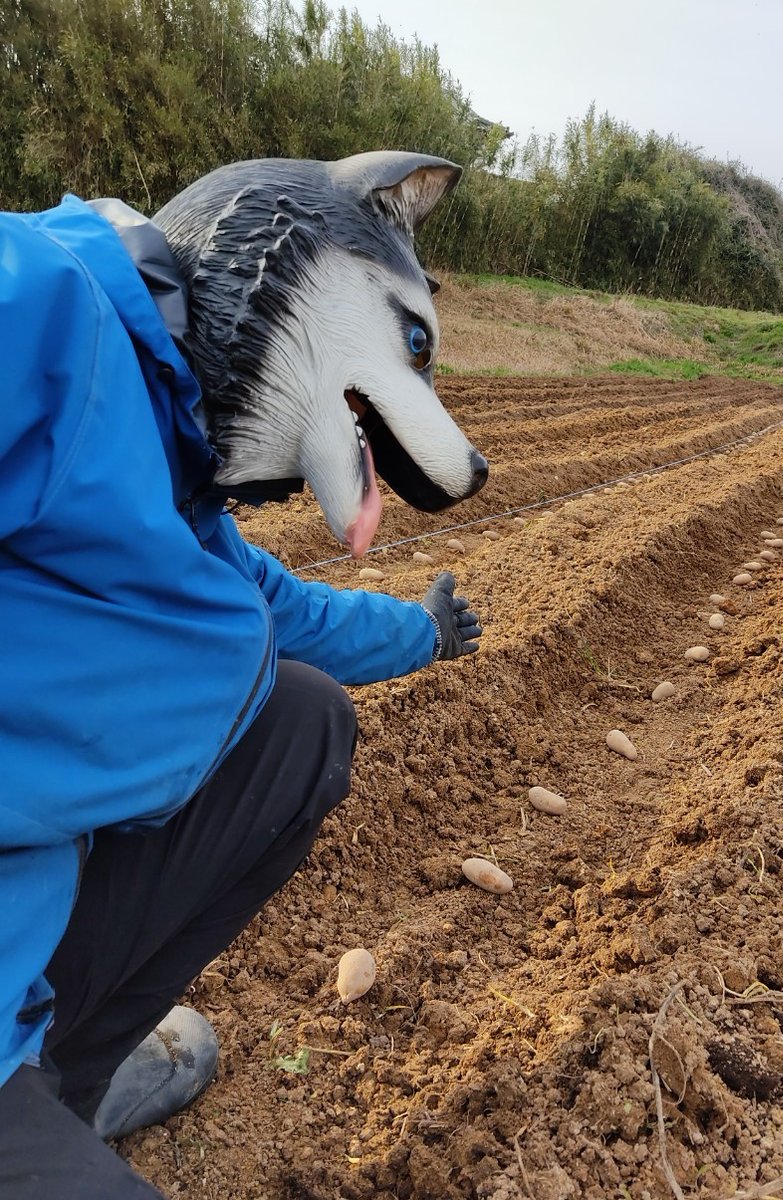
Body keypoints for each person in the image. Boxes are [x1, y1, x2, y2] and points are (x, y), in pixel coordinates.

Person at [0, 159, 483, 1198]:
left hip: (19, 925)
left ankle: (54, 1081)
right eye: (409, 346)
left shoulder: (176, 467)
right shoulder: (44, 309)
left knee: (300, 721)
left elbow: (283, 612)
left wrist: (422, 634)